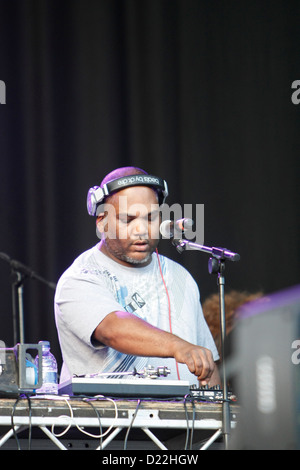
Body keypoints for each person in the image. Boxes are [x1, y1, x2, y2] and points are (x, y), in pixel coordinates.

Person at [54, 166, 221, 387]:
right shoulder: (80, 278)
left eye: (150, 218)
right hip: (109, 420)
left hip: (184, 421)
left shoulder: (181, 277)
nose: (141, 230)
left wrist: (217, 414)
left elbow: (206, 365)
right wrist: (179, 346)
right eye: (128, 220)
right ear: (102, 221)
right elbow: (113, 329)